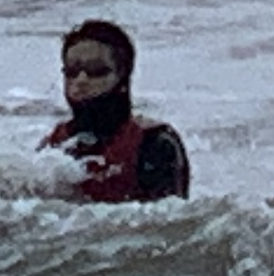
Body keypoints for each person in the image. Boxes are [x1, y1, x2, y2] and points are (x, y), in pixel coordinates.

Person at [42, 19, 190, 203]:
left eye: (96, 71)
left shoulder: (155, 143)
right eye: (72, 72)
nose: (81, 80)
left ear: (122, 78)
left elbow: (170, 224)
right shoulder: (54, 146)